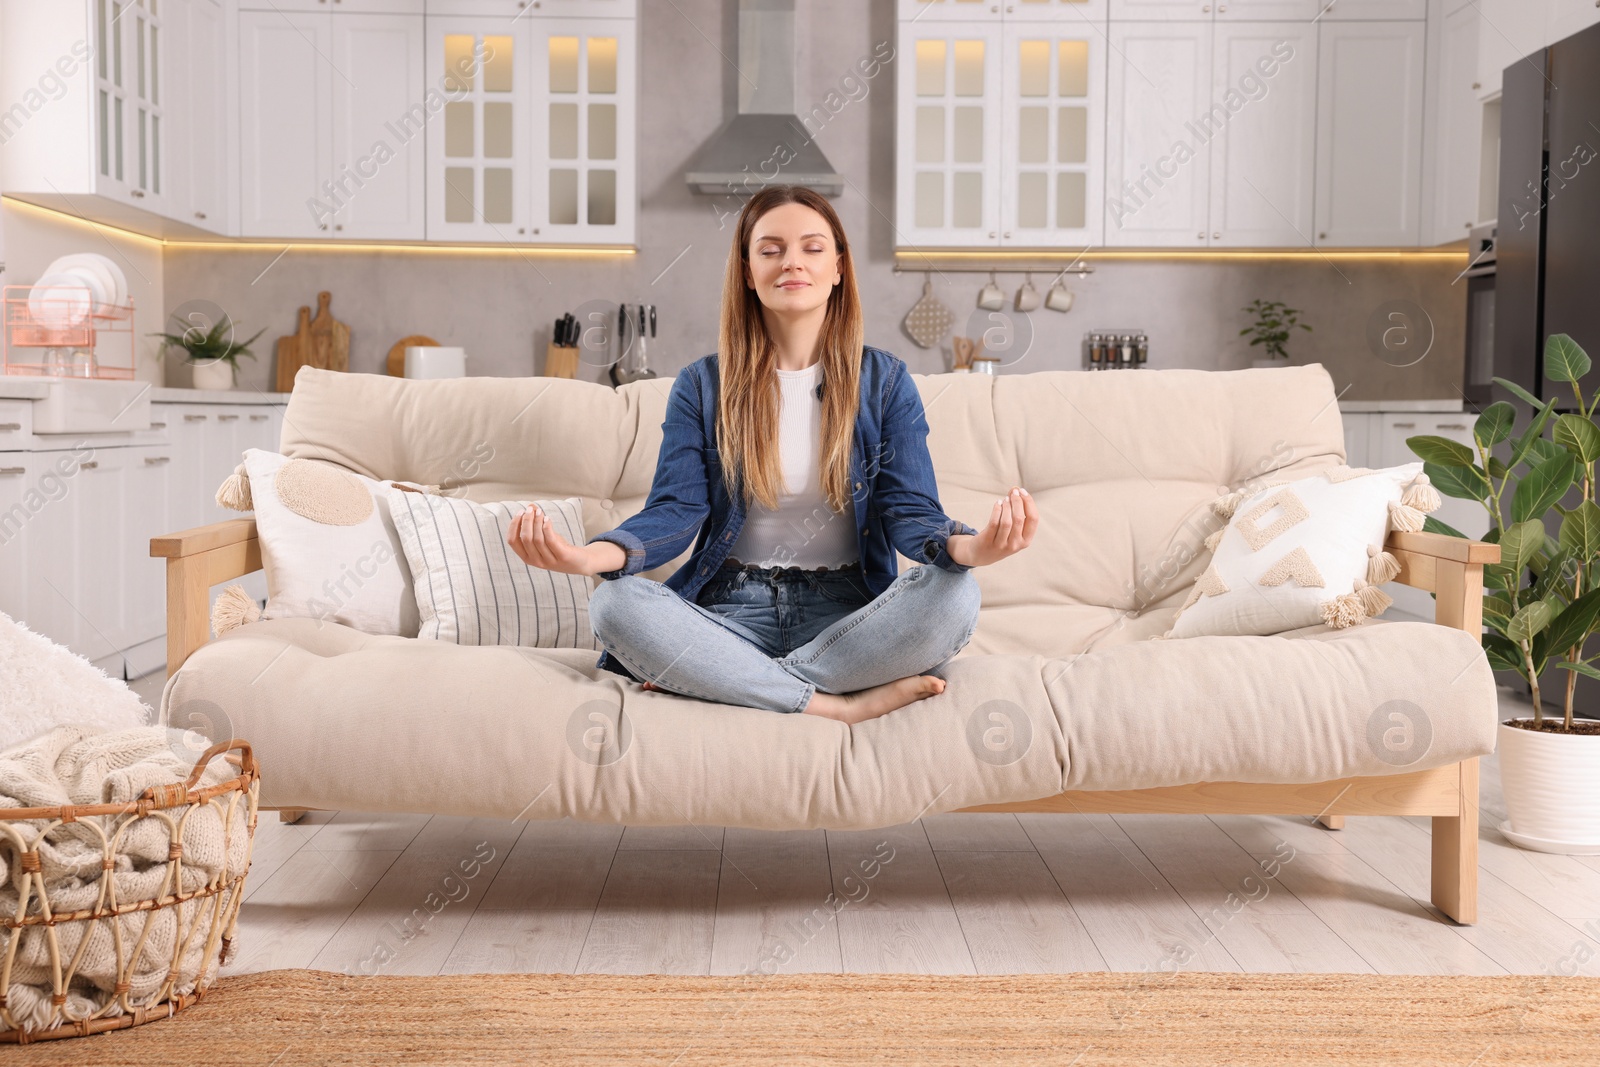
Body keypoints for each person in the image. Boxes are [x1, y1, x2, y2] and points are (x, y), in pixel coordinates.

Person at [507, 184, 1040, 725]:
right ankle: (832, 704)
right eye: (770, 249)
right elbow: (675, 513)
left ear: (838, 267)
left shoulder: (884, 381)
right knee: (614, 605)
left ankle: (732, 681)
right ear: (746, 270)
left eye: (811, 248)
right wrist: (586, 558)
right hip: (727, 613)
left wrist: (971, 549)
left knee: (955, 596)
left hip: (848, 619)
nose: (791, 262)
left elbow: (910, 513)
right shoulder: (701, 385)